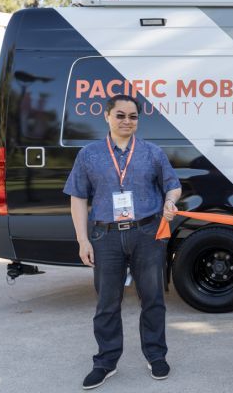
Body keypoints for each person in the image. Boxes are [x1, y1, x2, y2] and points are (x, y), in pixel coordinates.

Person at [64, 94, 181, 390]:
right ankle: (105, 361)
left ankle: (156, 355)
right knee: (106, 303)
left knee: (153, 298)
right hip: (106, 236)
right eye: (120, 115)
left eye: (132, 116)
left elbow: (173, 185)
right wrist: (82, 239)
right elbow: (77, 197)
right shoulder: (89, 154)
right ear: (107, 117)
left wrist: (170, 202)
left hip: (147, 233)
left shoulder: (153, 152)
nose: (127, 121)